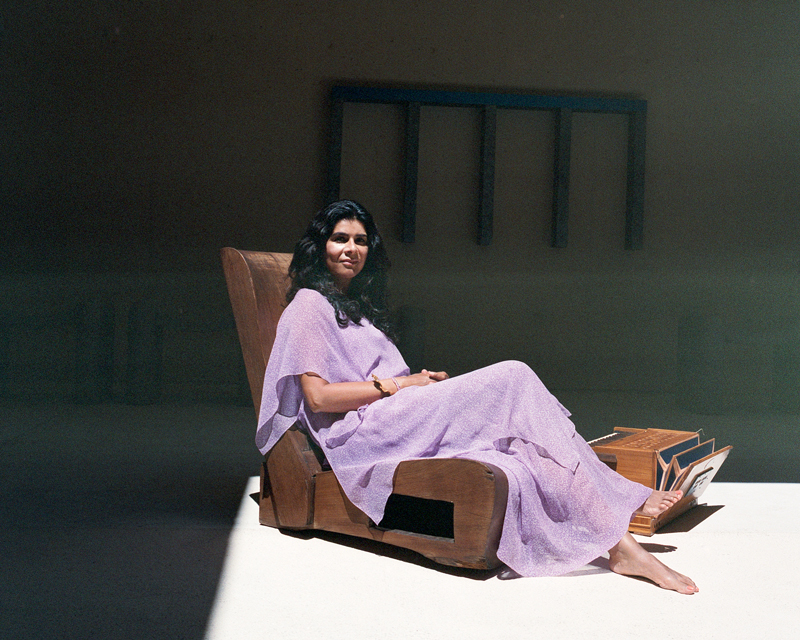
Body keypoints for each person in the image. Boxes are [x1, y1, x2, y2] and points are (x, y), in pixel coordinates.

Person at [257, 200, 698, 594]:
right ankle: (619, 502)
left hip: (394, 413)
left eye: (360, 240)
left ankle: (621, 546)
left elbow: (386, 376)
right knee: (513, 376)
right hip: (365, 433)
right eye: (339, 239)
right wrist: (400, 385)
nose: (351, 249)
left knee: (523, 442)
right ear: (321, 246)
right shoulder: (309, 305)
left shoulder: (353, 309)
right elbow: (316, 398)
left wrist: (419, 381)